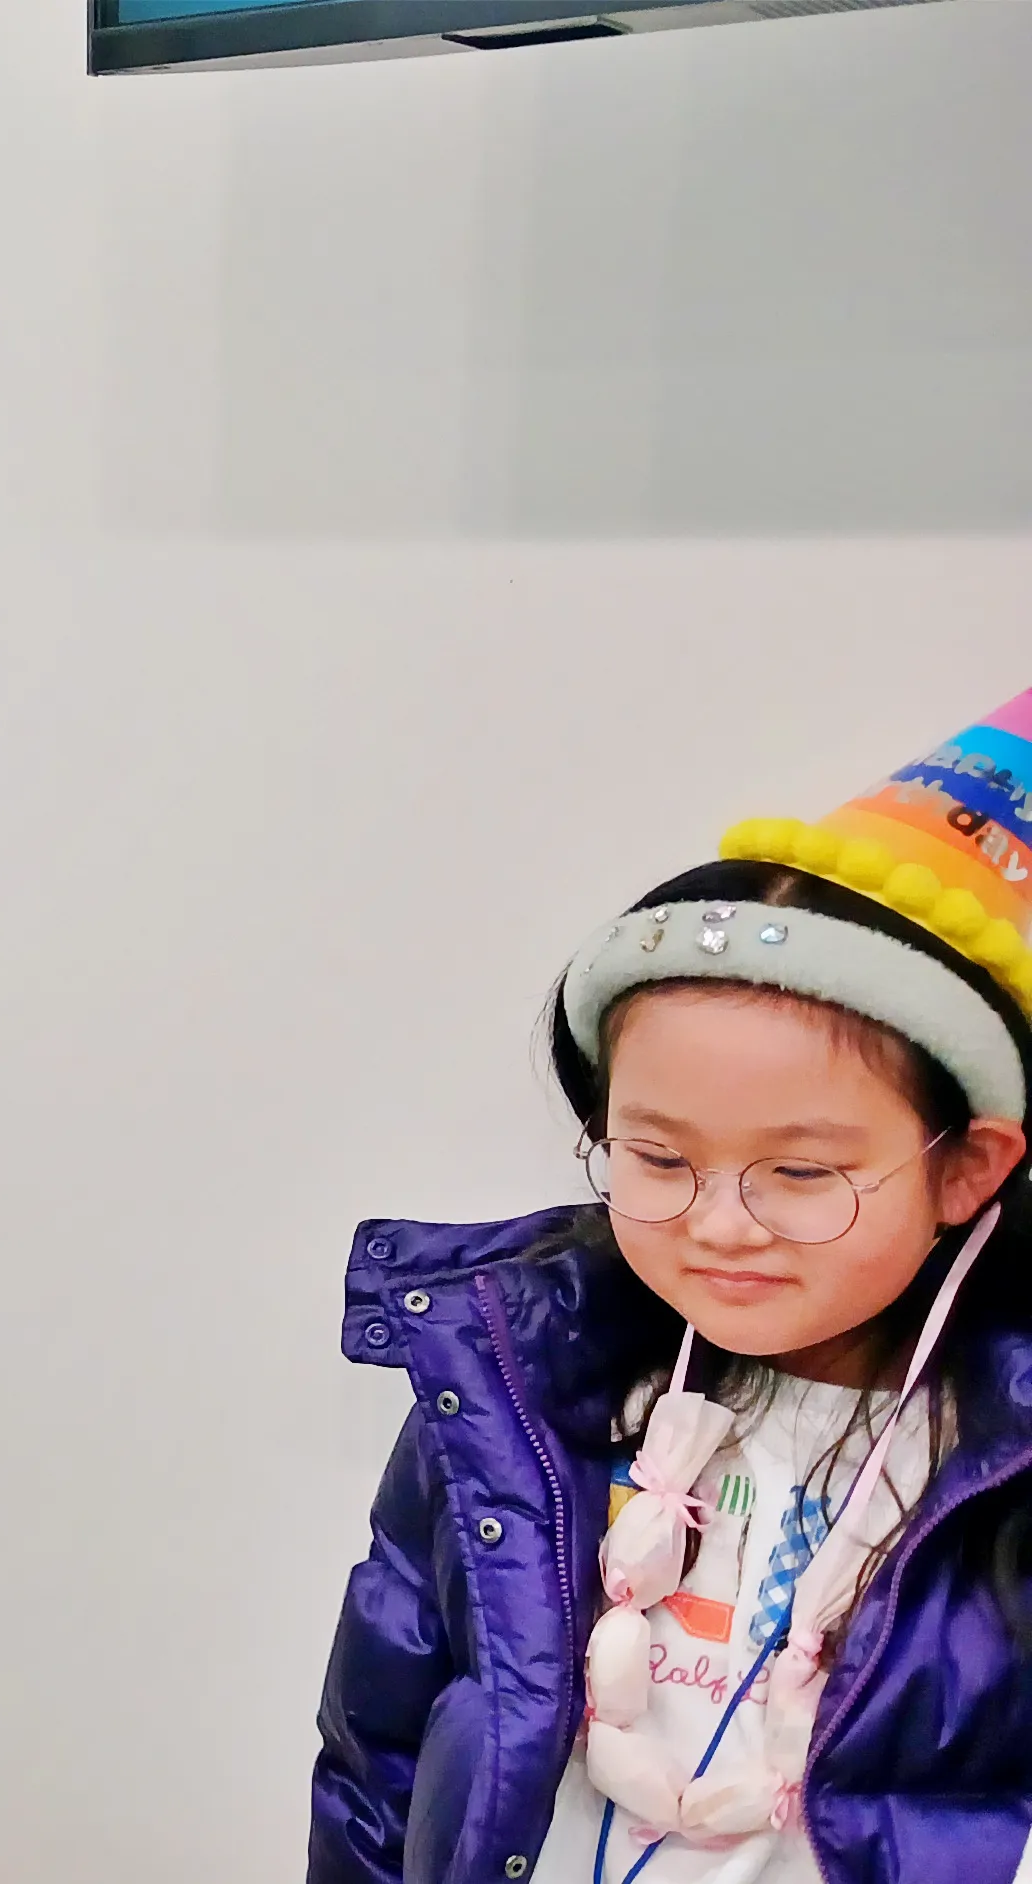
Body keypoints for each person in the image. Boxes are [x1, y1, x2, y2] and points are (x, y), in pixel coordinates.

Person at [310, 692, 1032, 1884]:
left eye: (802, 1172)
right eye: (655, 1157)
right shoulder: (510, 1394)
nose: (719, 1224)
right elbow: (377, 1754)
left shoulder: (995, 1460)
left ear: (967, 1167)